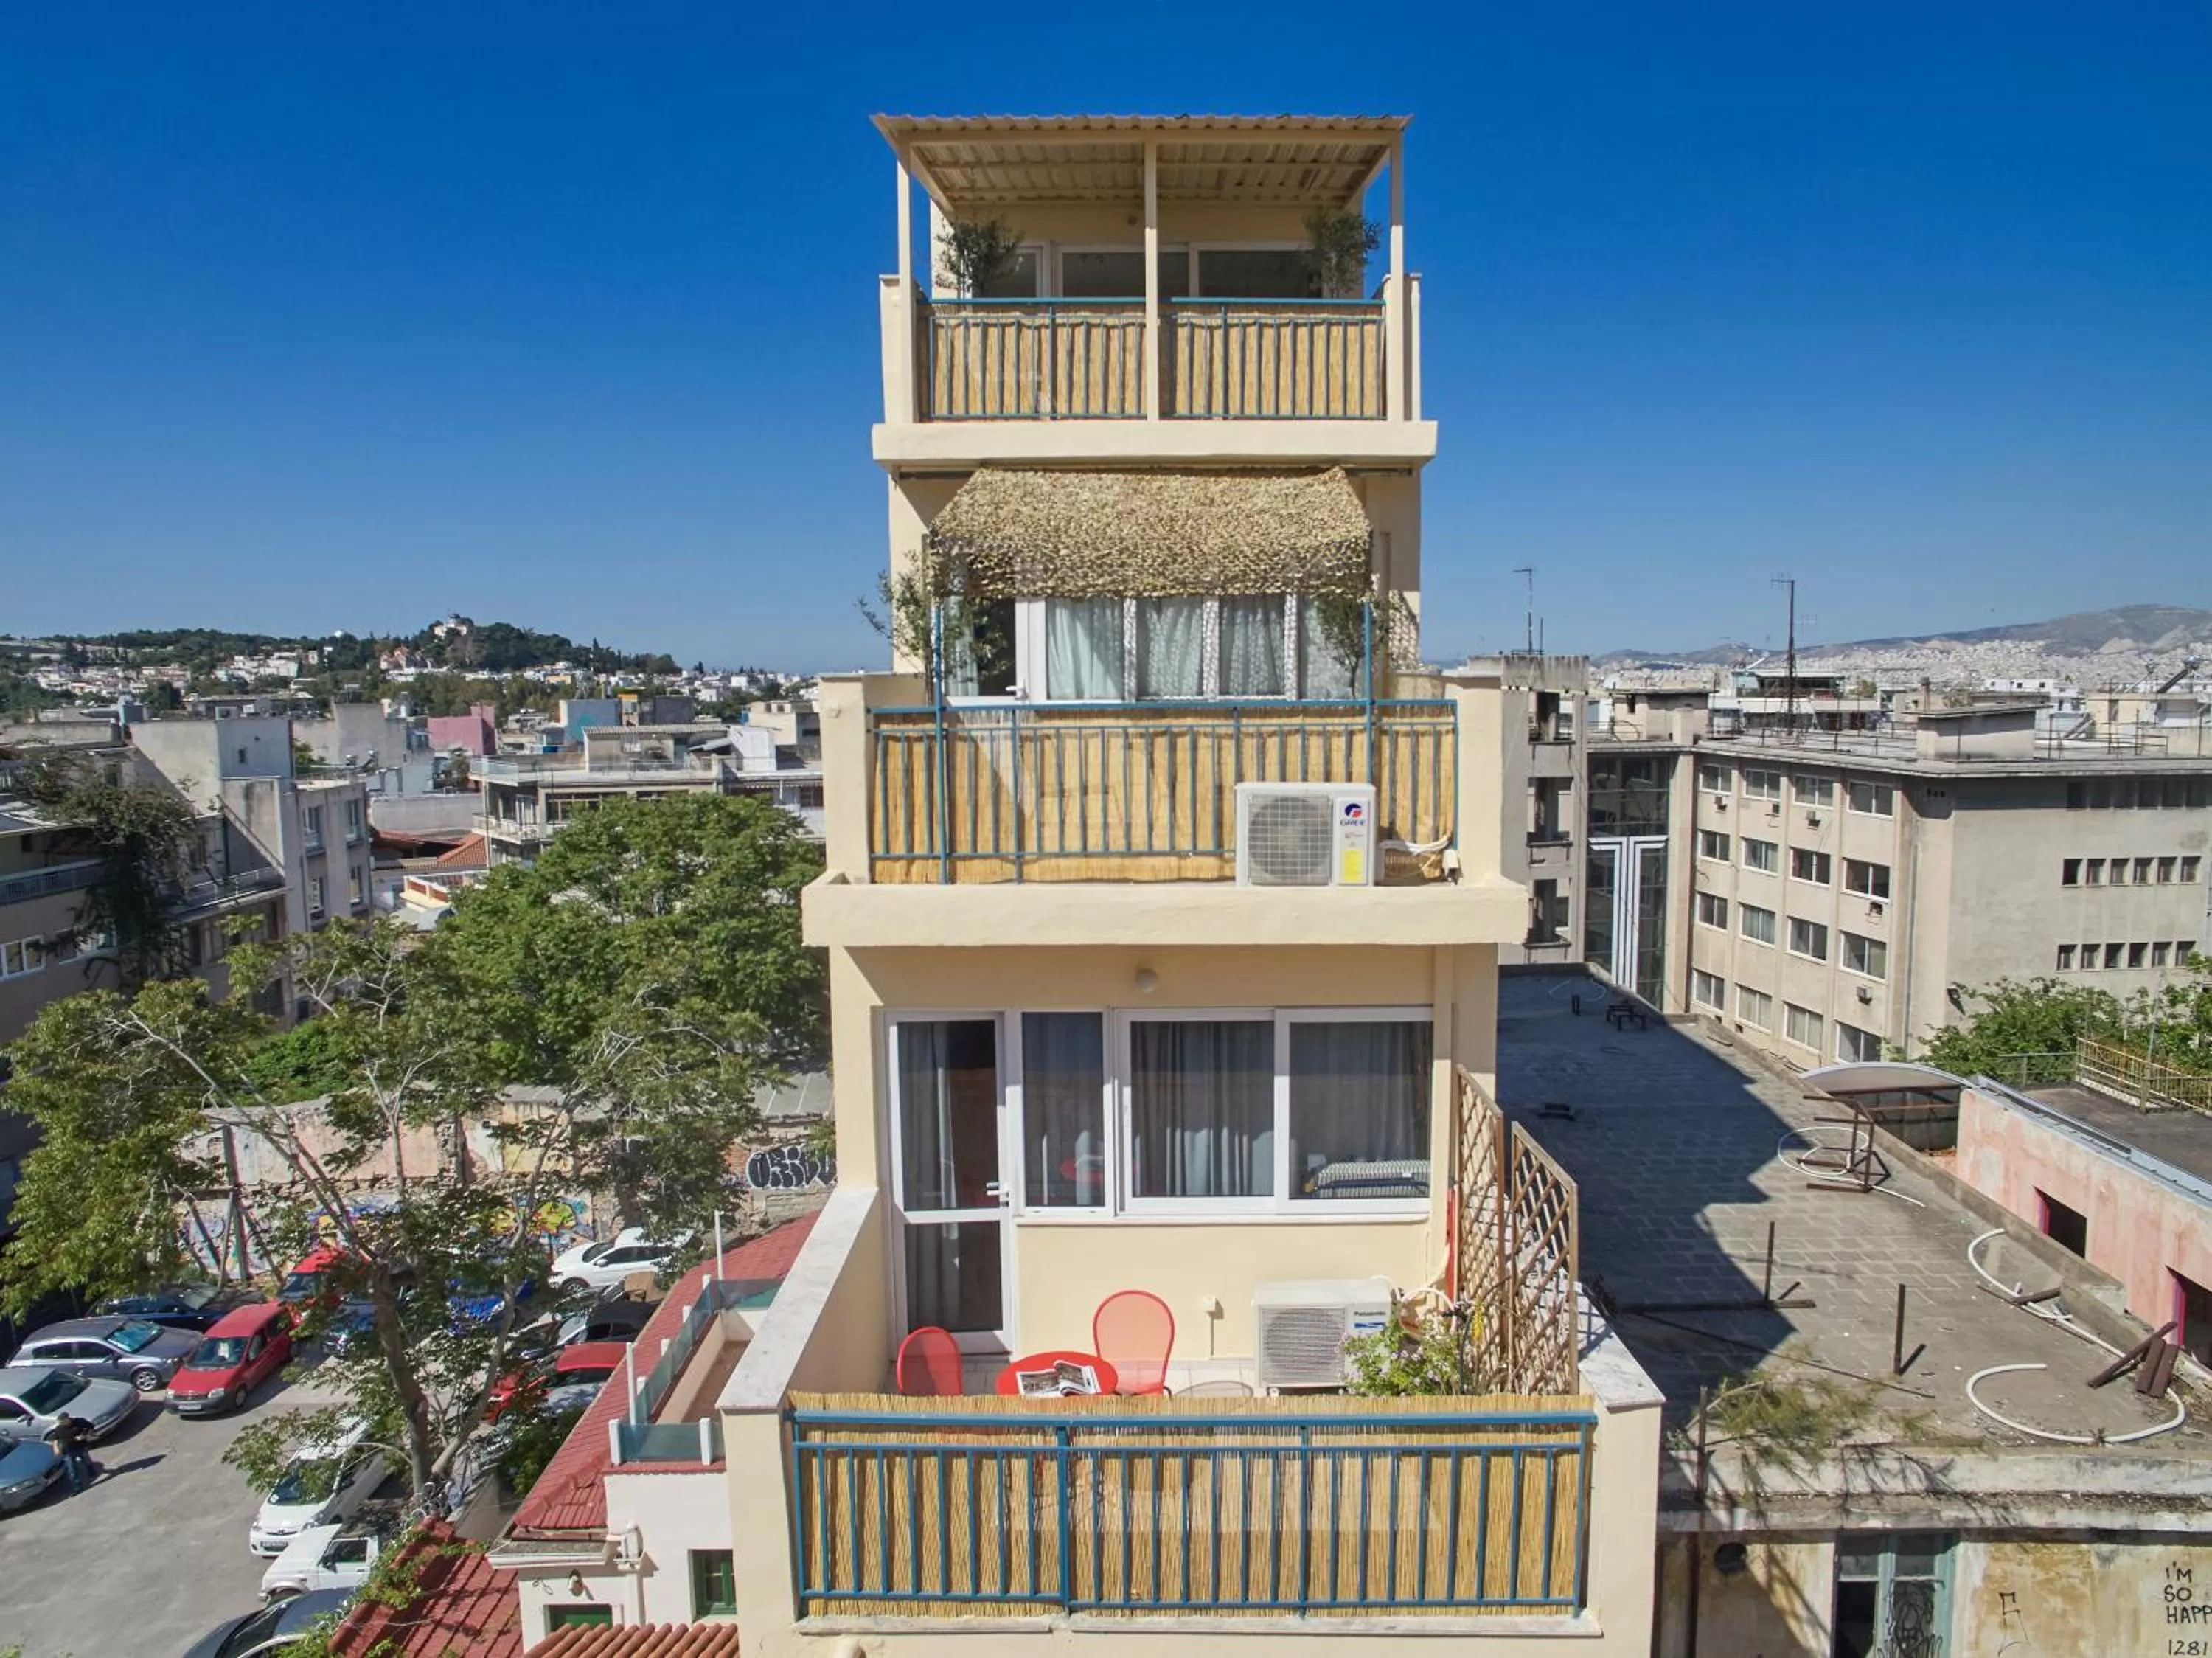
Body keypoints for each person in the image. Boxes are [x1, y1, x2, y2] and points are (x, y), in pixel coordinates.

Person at [46, 1413, 96, 1494]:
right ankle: (77, 1487)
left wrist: (85, 1435)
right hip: (68, 1450)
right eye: (61, 1422)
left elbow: (91, 1427)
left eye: (63, 1422)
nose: (62, 1424)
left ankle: (91, 1472)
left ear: (68, 1419)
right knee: (72, 1469)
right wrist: (56, 1448)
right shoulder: (59, 1429)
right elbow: (55, 1438)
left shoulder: (79, 1422)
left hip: (81, 1447)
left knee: (86, 1460)